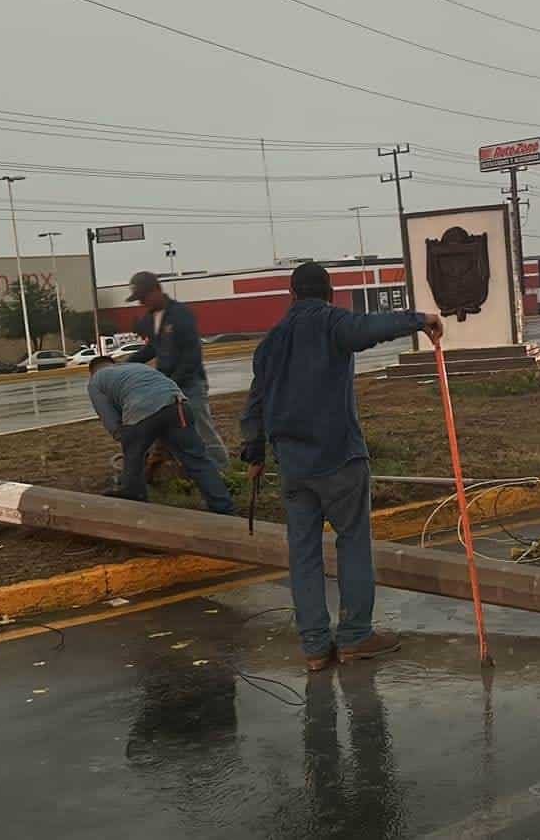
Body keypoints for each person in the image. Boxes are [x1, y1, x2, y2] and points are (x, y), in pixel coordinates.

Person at [240, 262, 443, 671]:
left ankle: (315, 647)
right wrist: (420, 320)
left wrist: (255, 454)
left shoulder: (271, 342)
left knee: (304, 555)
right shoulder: (332, 323)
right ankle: (355, 637)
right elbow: (368, 328)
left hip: (293, 467)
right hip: (338, 459)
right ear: (329, 294)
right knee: (352, 544)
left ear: (292, 295)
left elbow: (256, 400)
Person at [87, 356, 235, 515]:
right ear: (114, 364)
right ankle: (223, 507)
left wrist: (125, 438)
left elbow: (109, 418)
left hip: (142, 409)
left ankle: (135, 501)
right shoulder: (136, 367)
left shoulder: (95, 381)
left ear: (92, 372)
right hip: (178, 405)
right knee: (197, 460)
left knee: (133, 459)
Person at [126, 270, 230, 468]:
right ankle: (186, 470)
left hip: (190, 384)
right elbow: (152, 348)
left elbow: (192, 354)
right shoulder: (151, 319)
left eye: (144, 297)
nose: (142, 303)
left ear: (157, 290)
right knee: (169, 431)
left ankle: (223, 470)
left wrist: (175, 381)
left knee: (202, 428)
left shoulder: (181, 314)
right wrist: (127, 364)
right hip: (167, 386)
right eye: (138, 300)